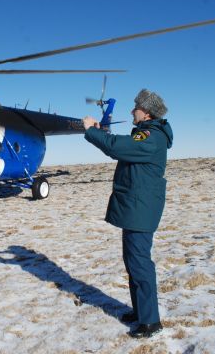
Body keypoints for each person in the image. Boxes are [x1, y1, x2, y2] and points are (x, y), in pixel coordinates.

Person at [82, 89, 173, 339]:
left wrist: (91, 131)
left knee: (140, 263)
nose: (132, 111)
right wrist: (101, 132)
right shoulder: (146, 135)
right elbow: (122, 145)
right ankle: (141, 312)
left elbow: (117, 147)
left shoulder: (151, 137)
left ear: (147, 113)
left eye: (136, 108)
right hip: (137, 207)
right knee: (133, 261)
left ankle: (151, 322)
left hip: (141, 209)